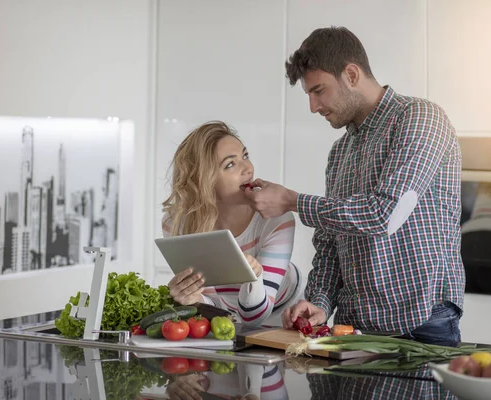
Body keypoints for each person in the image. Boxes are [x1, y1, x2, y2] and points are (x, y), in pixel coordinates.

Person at [243, 26, 466, 346]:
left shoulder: (420, 118)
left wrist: (293, 201)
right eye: (308, 94)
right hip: (352, 327)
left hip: (421, 323)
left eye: (318, 90)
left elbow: (385, 214)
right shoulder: (340, 152)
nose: (313, 105)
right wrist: (319, 302)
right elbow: (331, 243)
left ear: (351, 74)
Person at [162, 121, 302, 327]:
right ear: (205, 182)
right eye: (230, 164)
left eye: (245, 156)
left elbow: (254, 317)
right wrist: (192, 299)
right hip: (227, 318)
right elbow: (213, 305)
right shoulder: (177, 224)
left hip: (282, 314)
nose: (248, 168)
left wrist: (253, 278)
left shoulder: (275, 219)